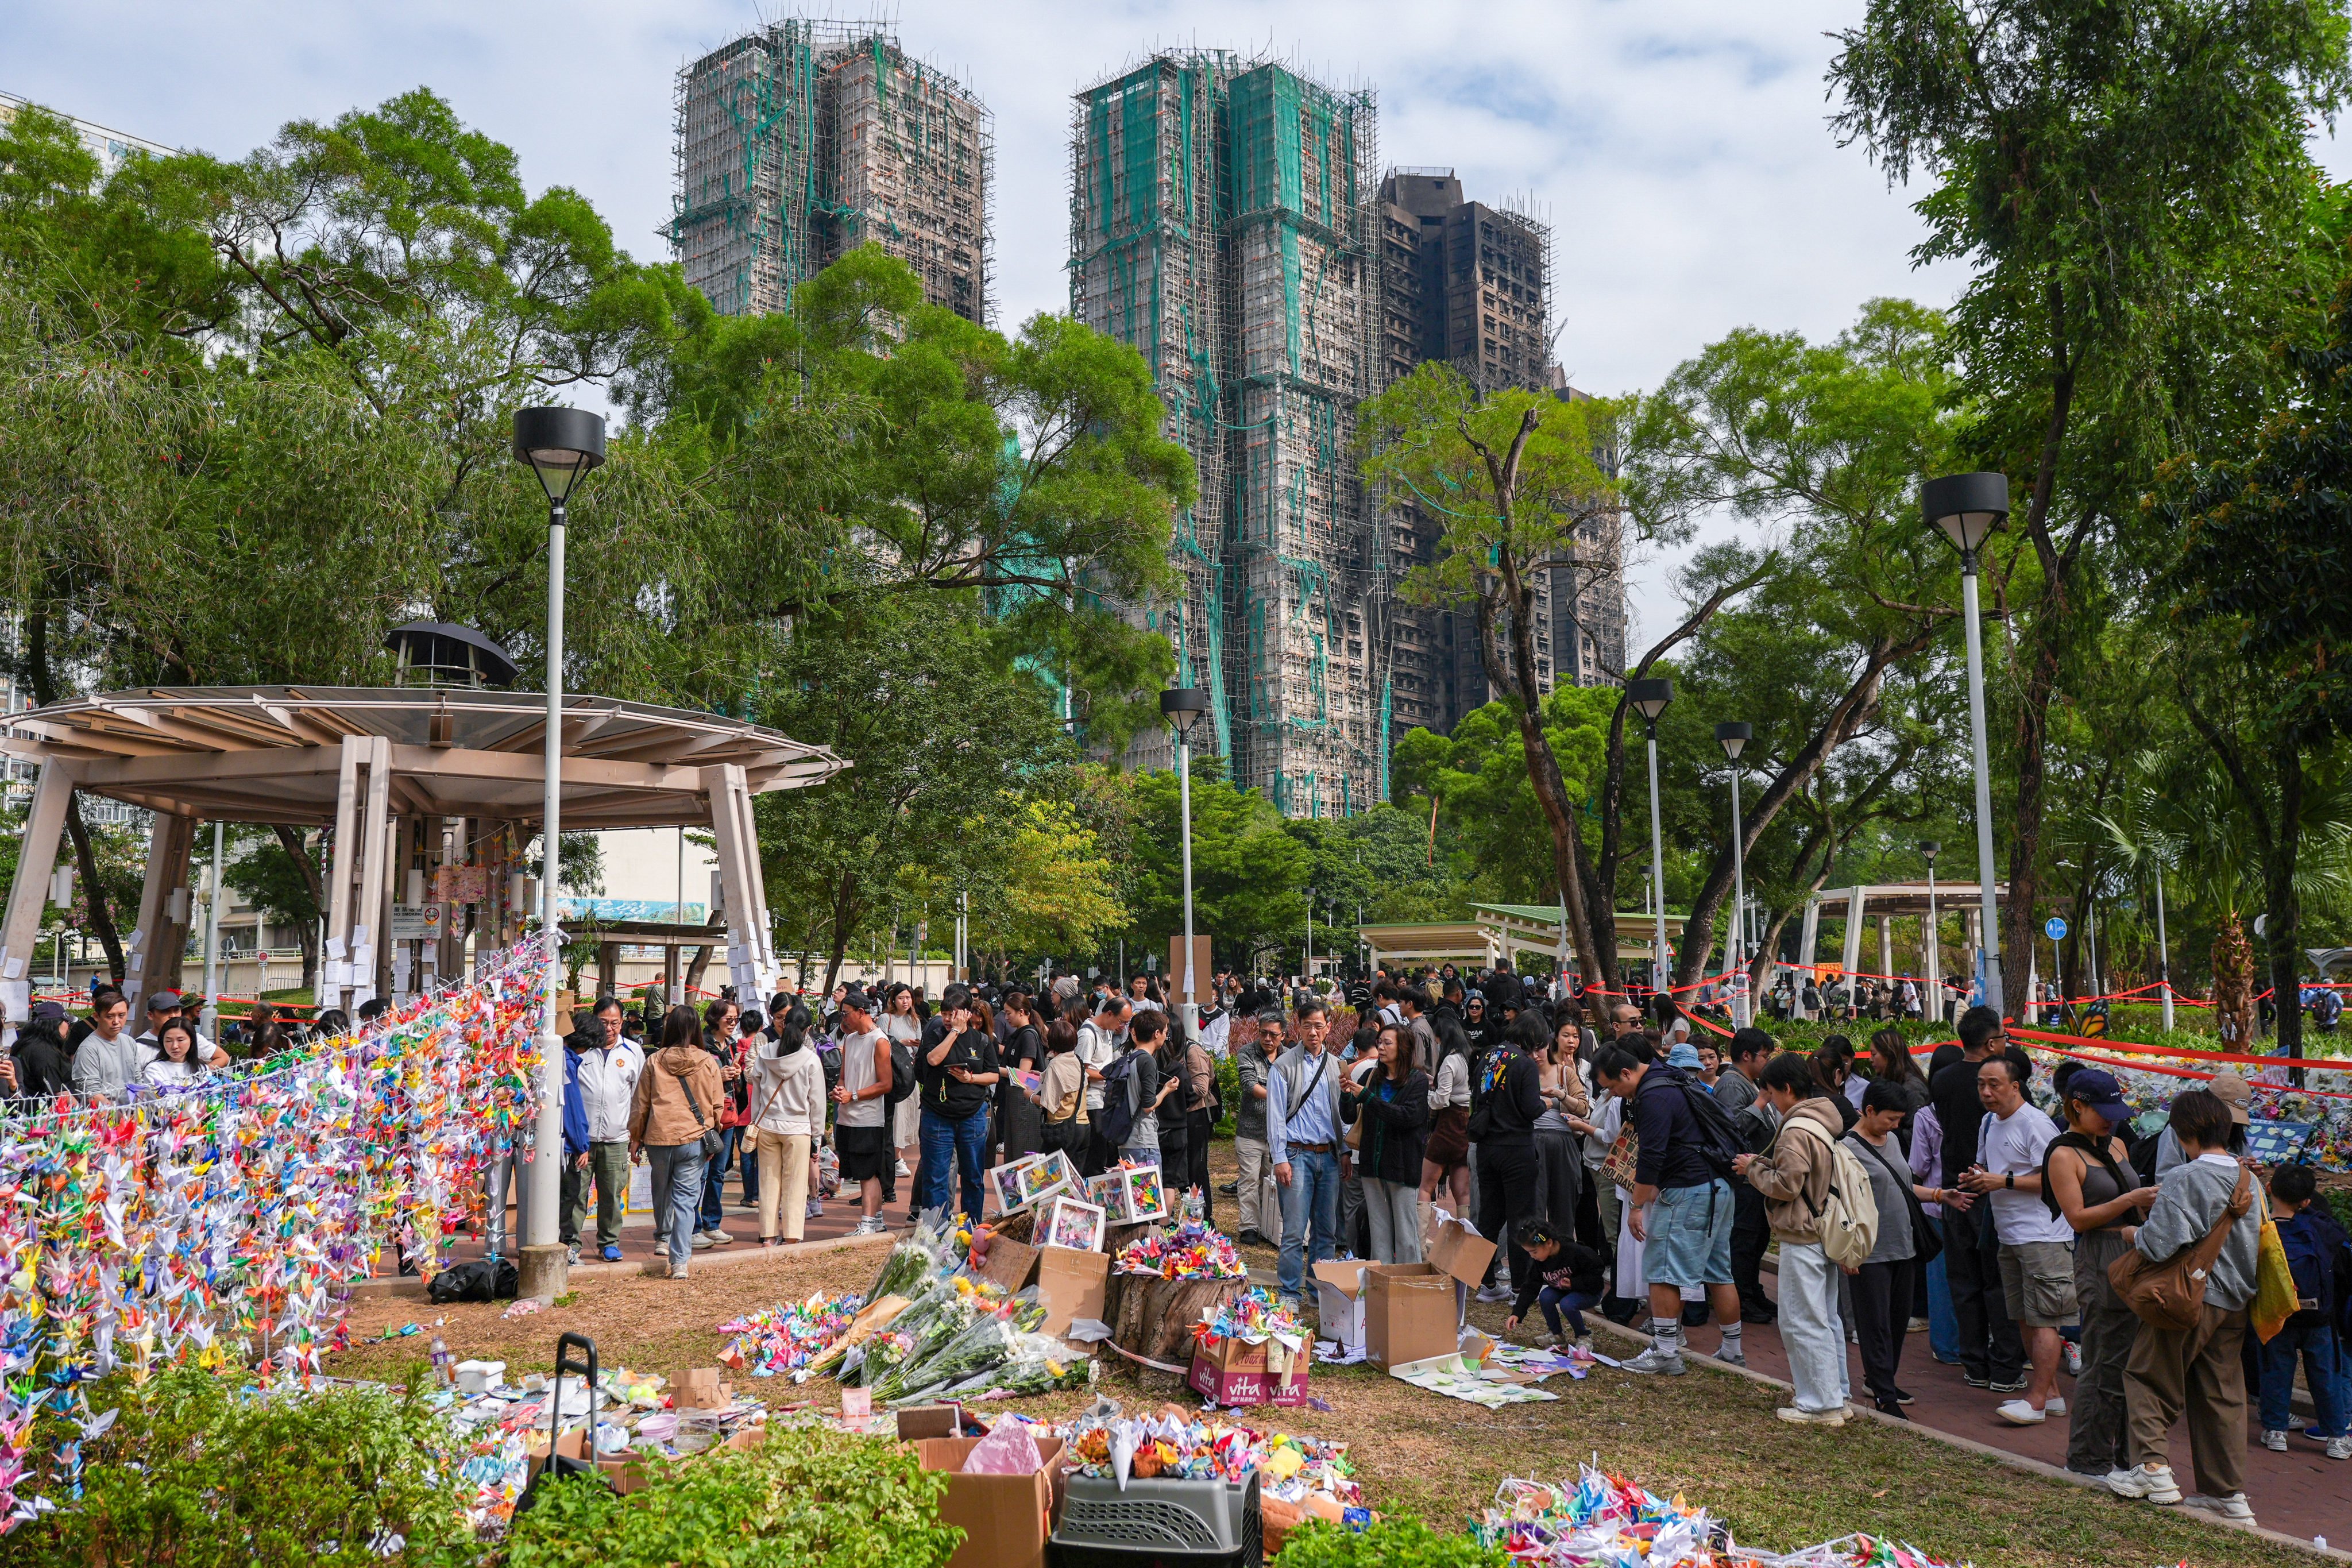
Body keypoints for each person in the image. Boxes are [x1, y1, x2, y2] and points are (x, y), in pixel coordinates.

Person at [2107, 1088, 2266, 1523]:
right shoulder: (2246, 1178)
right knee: (2221, 1396)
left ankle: (2151, 1469)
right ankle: (2226, 1493)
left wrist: (2128, 1236)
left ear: (2181, 1134)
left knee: (2147, 1375)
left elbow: (2158, 1245)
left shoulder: (2186, 1176)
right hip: (2235, 1301)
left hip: (2187, 1297)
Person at [1594, 1037, 1745, 1375]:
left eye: (1612, 1087)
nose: (1613, 1095)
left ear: (1625, 1073)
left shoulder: (1652, 1095)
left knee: (1661, 1271)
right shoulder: (1670, 1075)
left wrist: (1636, 1206)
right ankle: (1733, 1352)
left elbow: (1652, 1155)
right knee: (1719, 1271)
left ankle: (1665, 1352)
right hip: (1717, 1187)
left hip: (1687, 1192)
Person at [2042, 1067, 2158, 1476]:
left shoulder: (2118, 1145)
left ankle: (2130, 1456)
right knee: (2103, 1363)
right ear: (2077, 1106)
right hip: (2099, 1255)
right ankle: (2089, 1457)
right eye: (2103, 1111)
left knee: (2133, 1362)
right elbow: (2076, 1218)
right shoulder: (2062, 1154)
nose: (2111, 1119)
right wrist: (2129, 1198)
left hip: (2132, 1252)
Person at [1736, 1052, 1854, 1423]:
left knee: (1802, 1320)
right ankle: (1836, 1394)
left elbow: (1787, 1186)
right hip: (1824, 1229)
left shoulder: (1795, 1129)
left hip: (1802, 1233)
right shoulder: (1822, 1120)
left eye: (1771, 1092)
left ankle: (1819, 1402)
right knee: (1825, 1318)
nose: (1770, 1100)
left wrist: (1753, 1169)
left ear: (1787, 1089)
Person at [1957, 1055, 2076, 1424]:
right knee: (2024, 1315)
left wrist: (2001, 1181)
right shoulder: (1988, 1122)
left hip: (2044, 1235)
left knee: (2044, 1318)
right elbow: (1987, 1168)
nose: (1987, 1092)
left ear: (2015, 1086)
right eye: (1981, 1084)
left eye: (1994, 1084)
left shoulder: (2036, 1125)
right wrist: (1976, 1176)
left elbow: (2056, 1180)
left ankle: (2037, 1400)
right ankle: (2051, 1393)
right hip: (2009, 1234)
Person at [1928, 1006, 2028, 1393]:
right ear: (1991, 1043)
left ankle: (1974, 1363)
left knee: (1965, 1280)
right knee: (2000, 1281)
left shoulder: (1942, 1079)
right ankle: (2005, 1366)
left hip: (1957, 1190)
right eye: (2003, 1038)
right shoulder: (2006, 1084)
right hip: (1993, 1190)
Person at [1847, 1079, 1953, 1416]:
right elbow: (1842, 1204)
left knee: (1895, 1321)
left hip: (1904, 1245)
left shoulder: (1892, 1140)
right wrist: (1847, 1252)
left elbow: (1906, 1186)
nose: (1895, 1126)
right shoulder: (1846, 1148)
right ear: (1869, 1111)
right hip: (1870, 1250)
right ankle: (1884, 1394)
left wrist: (1939, 1194)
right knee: (1874, 1323)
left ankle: (1882, 1379)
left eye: (1899, 1120)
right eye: (1890, 1119)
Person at [628, 1006, 726, 1281]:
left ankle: (662, 1238)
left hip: (659, 1137)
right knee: (686, 1200)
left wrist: (635, 1138)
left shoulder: (654, 1061)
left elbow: (641, 1104)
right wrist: (713, 1131)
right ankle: (680, 1261)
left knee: (660, 1190)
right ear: (696, 1029)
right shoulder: (708, 1062)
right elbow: (718, 1105)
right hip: (694, 1138)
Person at [2261, 1163, 2350, 1458]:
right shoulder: (2319, 1228)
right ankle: (2337, 1436)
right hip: (2318, 1316)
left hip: (2278, 1314)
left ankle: (2276, 1431)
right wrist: (2308, 1209)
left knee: (2277, 1371)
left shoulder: (2263, 1228)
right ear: (2307, 1200)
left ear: (2270, 1189)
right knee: (2325, 1377)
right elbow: (2339, 1234)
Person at [1268, 998, 1344, 1306]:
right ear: (1297, 1028)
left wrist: (1346, 1153)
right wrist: (1280, 1158)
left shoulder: (1337, 1065)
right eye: (1307, 1026)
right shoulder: (1284, 1066)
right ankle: (1289, 1291)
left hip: (1329, 1155)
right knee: (1294, 1232)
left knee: (1327, 1231)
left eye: (1319, 1026)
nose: (1313, 1032)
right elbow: (1274, 1118)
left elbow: (1340, 1115)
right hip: (1296, 1156)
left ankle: (1319, 1291)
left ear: (1328, 1028)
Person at [1471, 1012, 1548, 1307]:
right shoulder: (1525, 1065)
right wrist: (1548, 1102)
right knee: (1522, 1219)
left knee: (1489, 1218)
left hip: (1487, 1147)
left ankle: (1487, 1282)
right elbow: (1531, 1108)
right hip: (1516, 1148)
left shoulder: (1489, 1055)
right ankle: (1520, 1286)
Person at [1342, 1021, 1430, 1264]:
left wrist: (1367, 1097)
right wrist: (1346, 1093)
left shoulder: (1417, 1080)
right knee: (1378, 1231)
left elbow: (1407, 1117)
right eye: (1379, 1042)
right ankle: (1382, 1285)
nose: (1380, 1047)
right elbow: (1349, 1116)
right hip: (1372, 1165)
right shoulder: (1373, 1076)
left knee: (1405, 1232)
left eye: (1387, 1042)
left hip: (1402, 1166)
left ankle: (1408, 1285)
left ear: (1403, 1047)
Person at [566, 996, 642, 1264]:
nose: (610, 1028)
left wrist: (636, 1135)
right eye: (604, 1023)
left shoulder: (633, 1052)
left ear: (623, 1023)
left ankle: (609, 1243)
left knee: (612, 1194)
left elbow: (638, 1098)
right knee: (575, 1194)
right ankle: (571, 1244)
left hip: (617, 1138)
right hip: (581, 1141)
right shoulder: (582, 1050)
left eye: (615, 1023)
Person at [916, 983, 1000, 1222]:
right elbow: (933, 1060)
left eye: (953, 1014)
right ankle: (936, 1229)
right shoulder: (935, 1034)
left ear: (966, 1014)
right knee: (936, 1176)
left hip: (972, 1115)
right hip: (937, 1114)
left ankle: (971, 1225)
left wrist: (970, 1078)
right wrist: (953, 1032)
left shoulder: (982, 1040)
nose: (948, 1019)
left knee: (973, 1175)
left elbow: (993, 1075)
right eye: (944, 1014)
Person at [1714, 1028, 1778, 1322]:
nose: (1768, 1061)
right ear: (1747, 1056)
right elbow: (1730, 1128)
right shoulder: (1731, 1084)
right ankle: (1742, 1299)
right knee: (1743, 1241)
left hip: (1757, 1176)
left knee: (1756, 1240)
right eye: (1765, 1056)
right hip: (1742, 1179)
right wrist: (1761, 1102)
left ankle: (1752, 1291)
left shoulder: (1749, 1083)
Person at [749, 1010, 826, 1245]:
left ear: (783, 1024)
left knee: (768, 1183)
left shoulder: (765, 1053)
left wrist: (756, 1121)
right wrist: (818, 1135)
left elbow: (757, 1093)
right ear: (808, 1030)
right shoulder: (811, 1059)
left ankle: (768, 1237)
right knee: (795, 1184)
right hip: (798, 1129)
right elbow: (817, 1102)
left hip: (767, 1126)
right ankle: (792, 1237)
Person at [831, 988, 895, 1235]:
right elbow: (844, 1077)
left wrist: (854, 1095)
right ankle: (876, 1221)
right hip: (848, 1116)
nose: (843, 1019)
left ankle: (868, 1223)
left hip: (869, 1118)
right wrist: (840, 1092)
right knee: (862, 1173)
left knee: (869, 1174)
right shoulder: (849, 1040)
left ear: (861, 1012)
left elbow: (885, 1084)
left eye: (846, 1014)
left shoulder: (879, 1041)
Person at [1504, 1216, 1608, 1350]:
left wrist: (1574, 1283)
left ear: (1548, 1243)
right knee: (1546, 1296)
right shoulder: (1539, 1260)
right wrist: (1517, 1313)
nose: (1532, 1256)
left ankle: (1584, 1337)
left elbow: (1597, 1271)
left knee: (1567, 1304)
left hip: (1588, 1290)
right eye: (1529, 1252)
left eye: (1534, 1252)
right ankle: (1557, 1335)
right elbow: (1531, 1286)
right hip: (1564, 1290)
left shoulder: (1576, 1252)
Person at [689, 998, 744, 1249]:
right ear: (715, 1019)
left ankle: (712, 1223)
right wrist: (717, 1076)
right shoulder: (701, 1046)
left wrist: (736, 1076)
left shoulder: (732, 1046)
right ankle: (692, 1228)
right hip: (705, 1117)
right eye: (728, 1019)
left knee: (718, 1174)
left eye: (736, 1019)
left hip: (728, 1115)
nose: (733, 1024)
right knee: (699, 1174)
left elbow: (737, 1085)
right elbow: (693, 1081)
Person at [1534, 1016, 1592, 1241]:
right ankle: (1537, 1262)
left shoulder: (1565, 1073)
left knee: (1563, 1208)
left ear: (1548, 1045)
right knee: (1535, 1208)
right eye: (1530, 1050)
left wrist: (1560, 1095)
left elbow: (1583, 1108)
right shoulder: (1525, 1073)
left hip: (1563, 1143)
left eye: (1539, 1048)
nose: (1535, 1055)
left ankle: (1562, 1262)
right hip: (1533, 1143)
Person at [1234, 1011, 1282, 1245]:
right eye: (1263, 1033)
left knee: (1271, 1182)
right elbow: (1248, 1085)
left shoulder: (1289, 1057)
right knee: (1249, 1181)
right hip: (1250, 1131)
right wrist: (1281, 1096)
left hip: (1279, 1134)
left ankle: (1269, 1226)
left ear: (1283, 1035)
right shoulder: (1247, 1053)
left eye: (1273, 1034)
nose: (1268, 1038)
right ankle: (1249, 1227)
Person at [1076, 994, 1131, 1176]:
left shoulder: (1107, 1031)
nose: (1122, 1027)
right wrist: (1106, 1075)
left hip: (1106, 1097)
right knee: (1096, 1151)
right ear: (1109, 1014)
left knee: (1108, 1150)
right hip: (1092, 1101)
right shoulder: (1087, 1034)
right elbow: (1080, 1071)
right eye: (1122, 1022)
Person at [1110, 1009, 1168, 1168]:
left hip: (1126, 1138)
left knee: (1133, 1192)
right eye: (1165, 1033)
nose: (1165, 1037)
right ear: (1157, 1033)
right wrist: (1166, 1090)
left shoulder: (1128, 1058)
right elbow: (1148, 1106)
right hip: (1143, 1140)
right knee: (1146, 1192)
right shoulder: (1147, 1062)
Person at [996, 991, 1046, 1166]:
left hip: (1025, 1101)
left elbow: (1024, 1075)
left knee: (1023, 1152)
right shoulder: (1018, 1035)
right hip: (1015, 1099)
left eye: (1009, 1013)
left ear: (1022, 1013)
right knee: (1013, 1150)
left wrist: (996, 1071)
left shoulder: (1028, 1036)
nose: (1006, 1017)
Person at [67, 993, 140, 1104]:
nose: (116, 1021)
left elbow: (138, 1079)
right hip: (104, 1118)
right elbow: (93, 1094)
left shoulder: (129, 1042)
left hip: (132, 1114)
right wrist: (121, 1117)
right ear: (96, 1016)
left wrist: (138, 1109)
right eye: (110, 1017)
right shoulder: (88, 1049)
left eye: (122, 1015)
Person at [1036, 1018, 1090, 1158]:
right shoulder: (1078, 1060)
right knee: (1075, 1177)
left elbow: (1048, 1103)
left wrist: (1029, 1095)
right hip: (1083, 1126)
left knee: (1053, 1176)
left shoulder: (1056, 1064)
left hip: (1063, 1128)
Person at [134, 991, 230, 1068]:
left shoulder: (192, 1038)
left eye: (176, 1010)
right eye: (166, 1012)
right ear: (151, 1015)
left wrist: (200, 1077)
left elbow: (223, 1057)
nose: (173, 1016)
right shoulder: (138, 1047)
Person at [138, 1017, 207, 1085]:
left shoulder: (203, 1069)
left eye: (180, 1040)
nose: (175, 1046)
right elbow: (163, 1095)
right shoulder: (154, 1069)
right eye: (169, 1041)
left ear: (191, 1040)